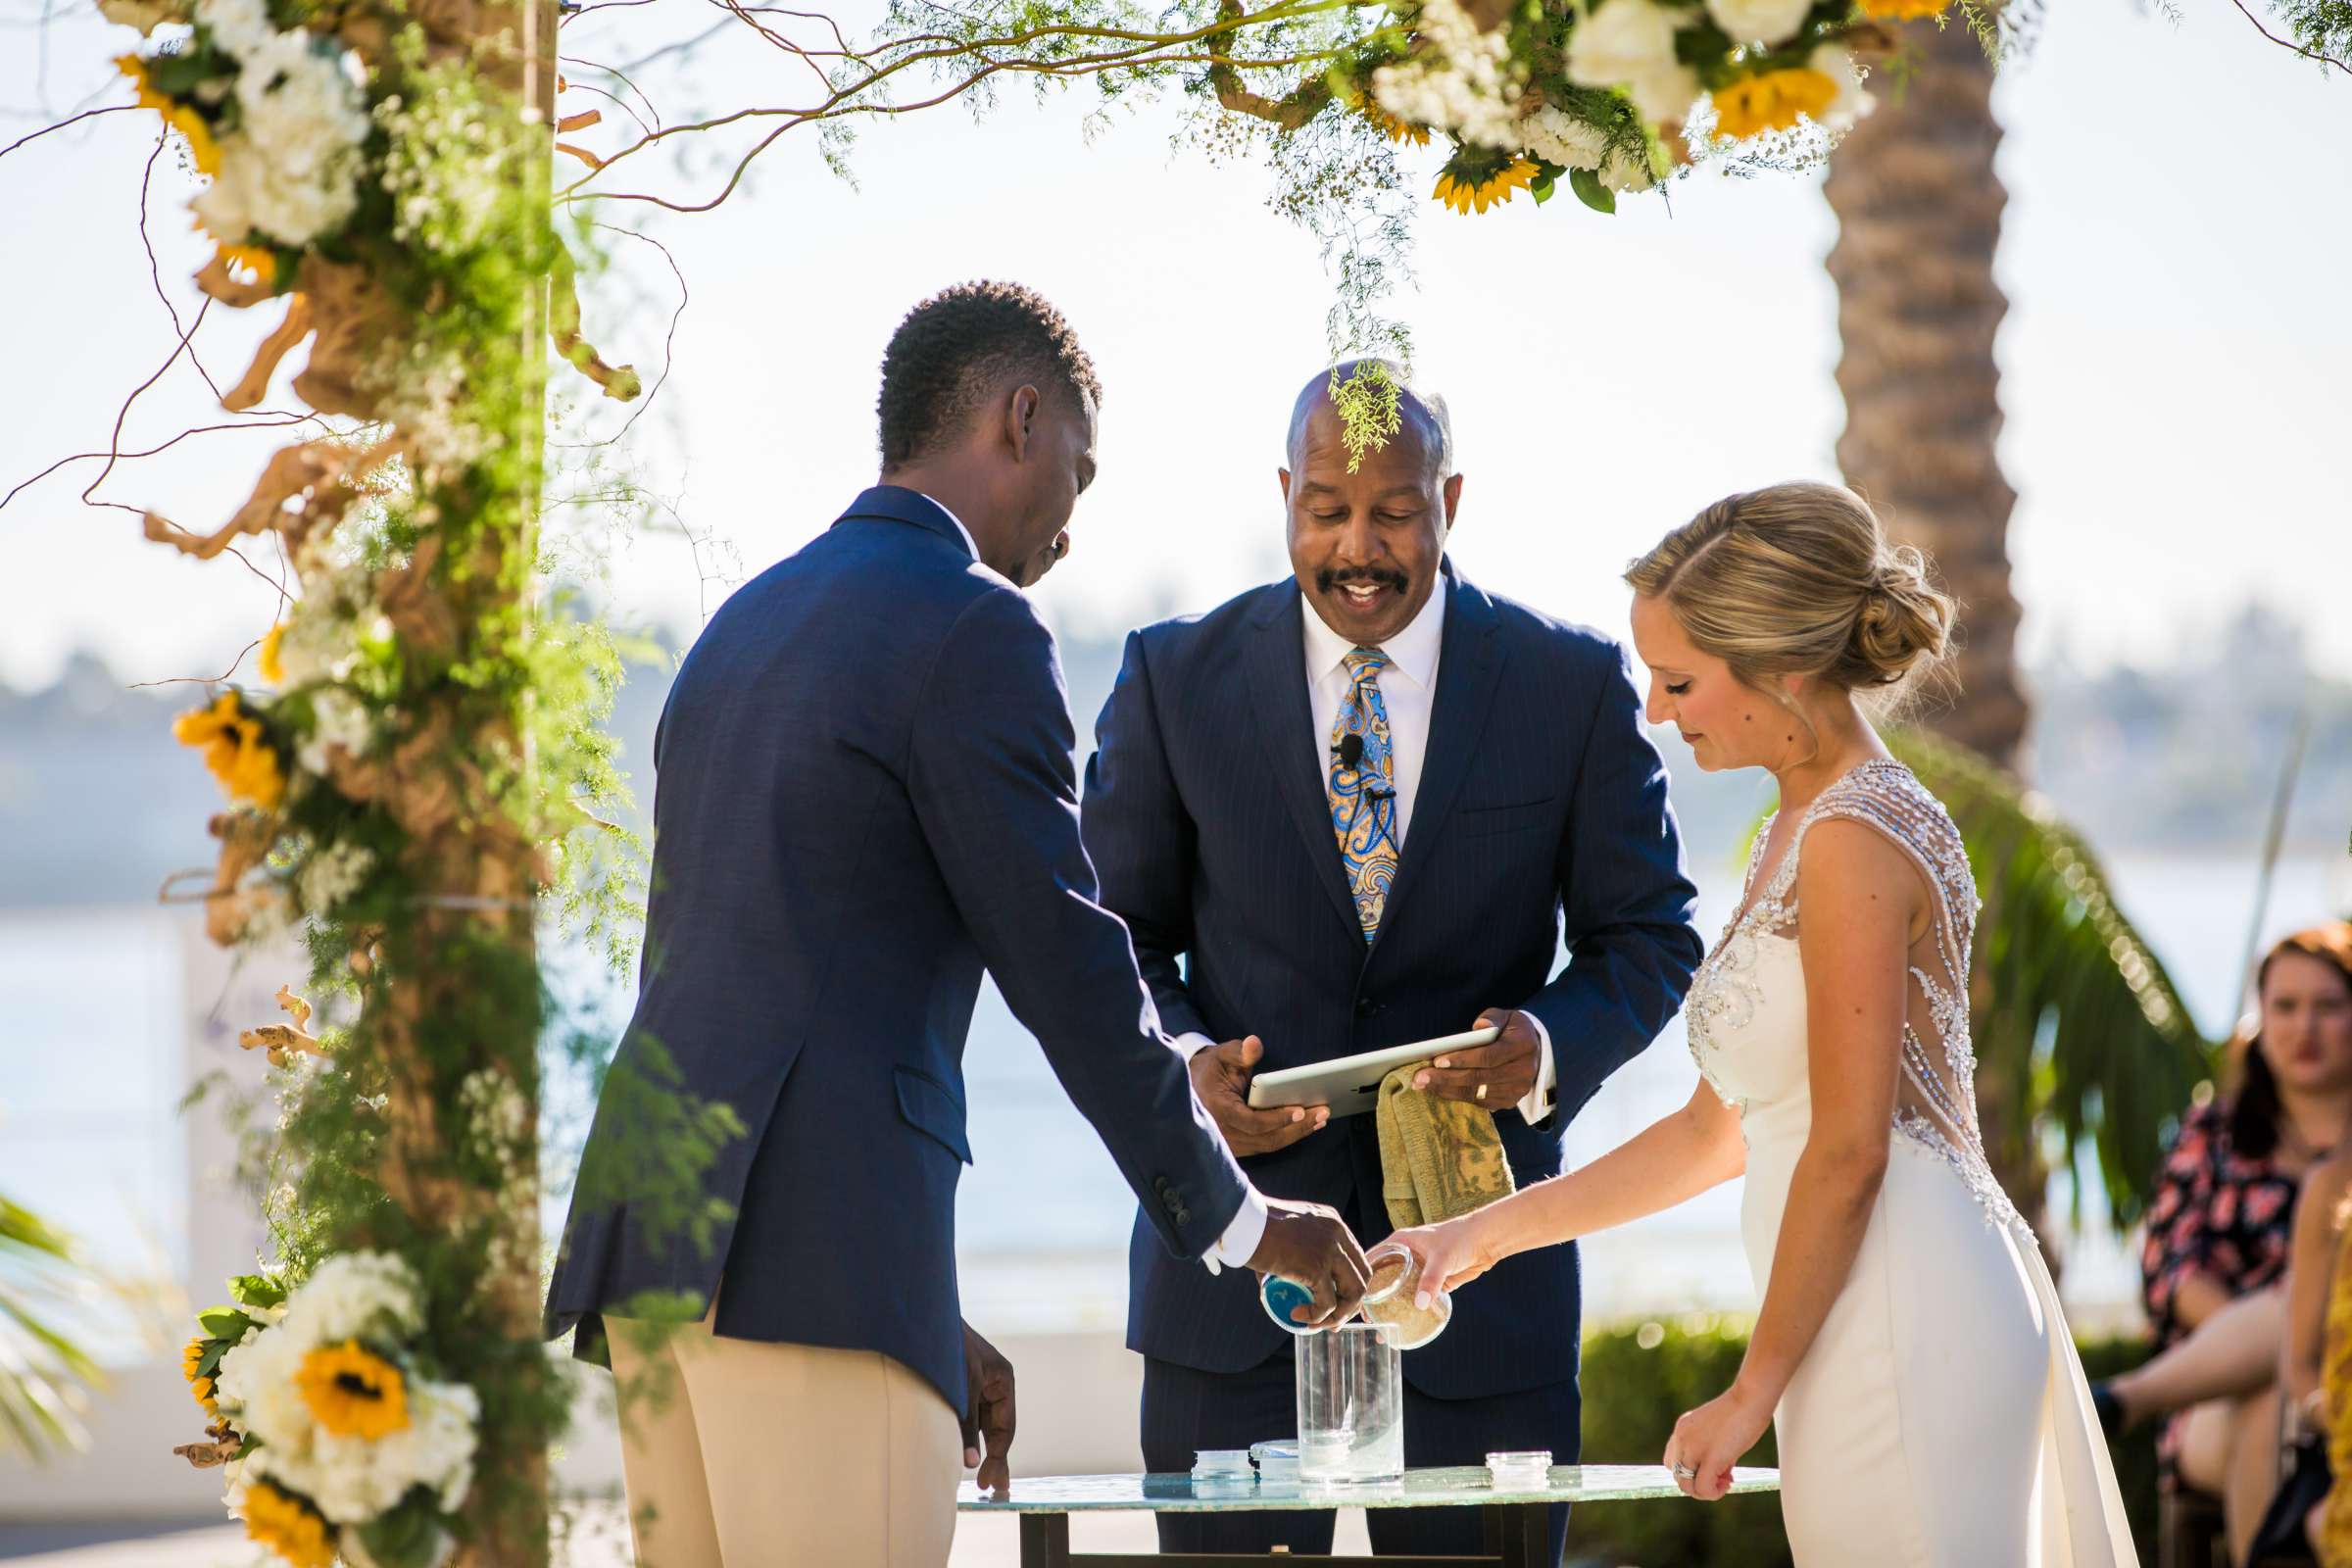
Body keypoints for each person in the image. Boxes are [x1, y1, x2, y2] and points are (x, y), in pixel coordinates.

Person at [542, 282, 1371, 1568]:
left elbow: (747, 979)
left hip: (663, 1251)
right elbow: (1076, 976)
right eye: (1077, 479)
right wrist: (1251, 1221)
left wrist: (916, 1306)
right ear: (1019, 419)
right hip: (802, 1268)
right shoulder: (972, 625)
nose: (1070, 532)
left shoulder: (742, 625)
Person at [1390, 481, 2138, 1566]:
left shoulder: (1852, 837)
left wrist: (1750, 1389)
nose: (1655, 709)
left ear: (1783, 670)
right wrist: (1480, 1235)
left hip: (1899, 1307)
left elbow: (1848, 1151)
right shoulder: (1807, 819)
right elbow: (1719, 1131)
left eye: (1680, 679)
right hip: (1868, 1302)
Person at [1080, 362, 1703, 1565]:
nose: (1357, 546)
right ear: (1284, 496)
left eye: (1395, 511)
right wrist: (1191, 1069)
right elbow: (1110, 943)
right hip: (1232, 1294)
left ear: (1450, 500)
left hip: (1486, 1299)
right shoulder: (1172, 678)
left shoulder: (1566, 686)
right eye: (1325, 508)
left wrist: (1546, 1046)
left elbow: (1652, 935)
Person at [2095, 922, 2352, 1564]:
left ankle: (2122, 1401)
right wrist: (2279, 1332)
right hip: (2215, 1393)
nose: (2305, 1028)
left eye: (2328, 1006)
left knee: (2281, 1363)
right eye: (2285, 1007)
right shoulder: (2214, 1131)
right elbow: (2171, 1272)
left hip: (2337, 1379)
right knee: (2266, 1386)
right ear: (2259, 1018)